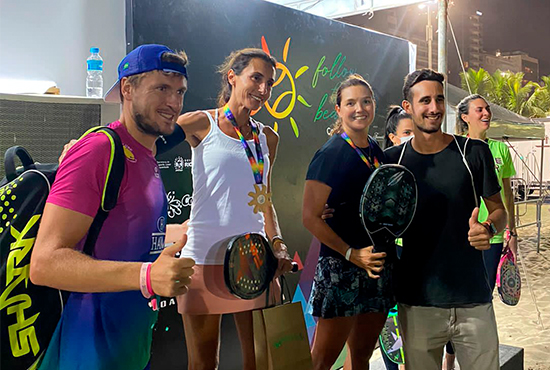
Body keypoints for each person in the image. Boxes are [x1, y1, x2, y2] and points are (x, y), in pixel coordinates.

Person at [29, 44, 196, 370]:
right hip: (88, 354)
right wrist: (147, 276)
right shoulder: (99, 150)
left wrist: (184, 234)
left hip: (134, 350)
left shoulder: (146, 155)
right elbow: (45, 263)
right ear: (127, 88)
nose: (173, 102)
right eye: (161, 88)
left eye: (180, 91)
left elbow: (124, 235)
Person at [155, 48, 293, 370]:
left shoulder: (267, 138)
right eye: (255, 78)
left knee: (260, 362)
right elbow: (146, 135)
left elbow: (265, 198)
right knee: (203, 364)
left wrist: (278, 243)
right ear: (232, 77)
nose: (263, 90)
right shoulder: (202, 123)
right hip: (203, 259)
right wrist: (94, 144)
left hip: (255, 259)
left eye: (269, 83)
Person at [384, 69, 507, 370]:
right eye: (425, 100)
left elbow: (499, 210)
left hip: (473, 299)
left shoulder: (473, 152)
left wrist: (489, 228)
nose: (434, 108)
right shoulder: (392, 160)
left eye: (439, 99)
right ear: (408, 106)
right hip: (417, 303)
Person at [302, 74, 393, 370]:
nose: (360, 108)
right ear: (339, 109)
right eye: (351, 102)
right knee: (323, 361)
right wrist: (352, 254)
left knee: (361, 356)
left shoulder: (376, 152)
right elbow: (310, 217)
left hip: (377, 265)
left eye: (366, 101)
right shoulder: (331, 154)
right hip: (342, 269)